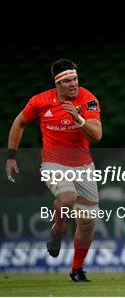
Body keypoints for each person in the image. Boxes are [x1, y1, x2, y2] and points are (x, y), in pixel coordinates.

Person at [5, 59, 102, 282]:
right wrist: (11, 156)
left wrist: (77, 118)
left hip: (83, 166)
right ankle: (59, 228)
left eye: (75, 79)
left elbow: (97, 135)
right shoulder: (40, 101)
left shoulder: (88, 100)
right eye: (67, 81)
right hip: (53, 163)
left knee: (87, 223)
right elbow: (19, 122)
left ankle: (76, 269)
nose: (73, 84)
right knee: (67, 198)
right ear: (57, 83)